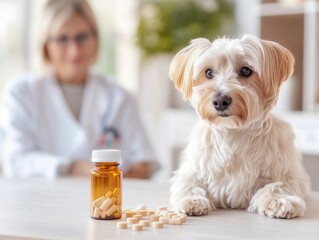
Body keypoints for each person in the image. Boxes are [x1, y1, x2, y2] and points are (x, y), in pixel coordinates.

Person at [0, 0, 159, 178]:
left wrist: (110, 186)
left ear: (96, 38)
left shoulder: (120, 97)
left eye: (82, 37)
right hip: (39, 201)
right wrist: (73, 167)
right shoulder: (22, 93)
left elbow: (143, 165)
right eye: (62, 39)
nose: (74, 50)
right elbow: (16, 161)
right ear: (46, 44)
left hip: (107, 203)